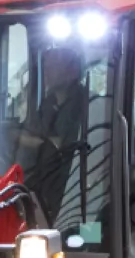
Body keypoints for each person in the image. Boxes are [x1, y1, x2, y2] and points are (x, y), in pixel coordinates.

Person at [18, 43, 97, 225]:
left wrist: (22, 138)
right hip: (44, 191)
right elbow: (34, 133)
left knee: (83, 242)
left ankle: (85, 243)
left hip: (82, 195)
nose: (46, 71)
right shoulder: (47, 104)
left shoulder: (88, 105)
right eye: (45, 65)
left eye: (52, 66)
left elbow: (61, 145)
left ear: (73, 71)